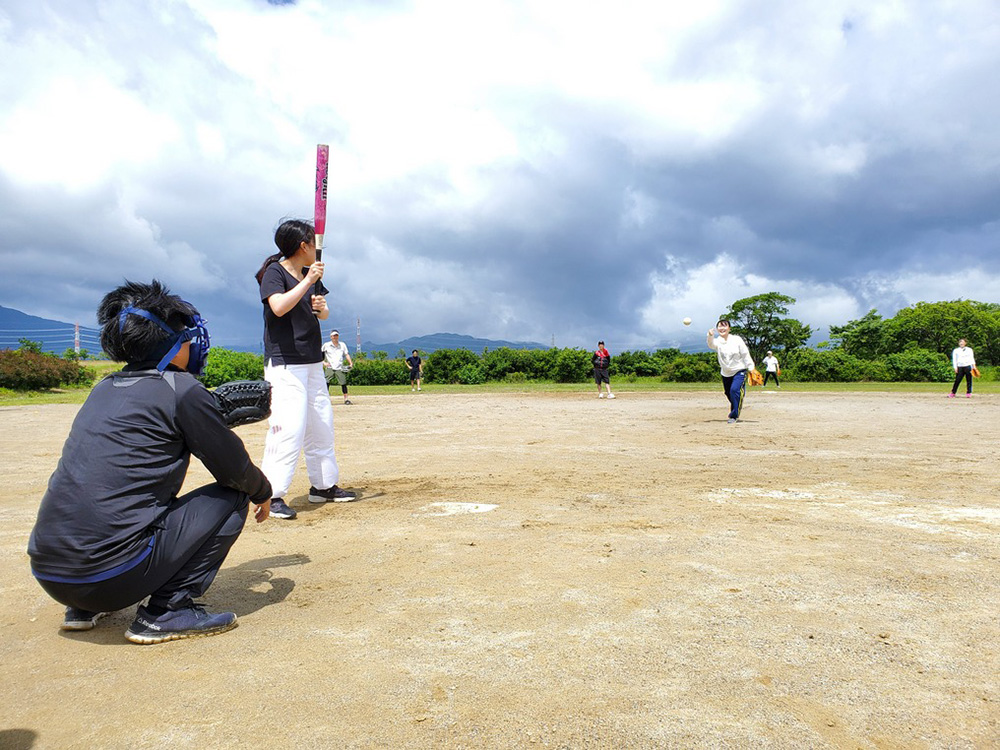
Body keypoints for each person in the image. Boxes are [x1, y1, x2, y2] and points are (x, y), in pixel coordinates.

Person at [27, 280, 272, 644]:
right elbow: (233, 470)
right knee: (233, 496)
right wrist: (262, 490)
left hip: (52, 575)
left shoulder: (104, 387)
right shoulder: (181, 389)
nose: (193, 344)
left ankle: (82, 610)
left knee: (121, 496)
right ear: (171, 347)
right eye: (187, 338)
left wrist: (205, 416)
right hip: (108, 578)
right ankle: (166, 612)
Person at [256, 219, 357, 521]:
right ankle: (272, 495)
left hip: (312, 360)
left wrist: (321, 305)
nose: (317, 248)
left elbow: (322, 315)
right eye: (313, 242)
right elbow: (278, 307)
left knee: (321, 425)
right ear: (303, 246)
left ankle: (323, 485)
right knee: (288, 427)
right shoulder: (274, 272)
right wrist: (307, 281)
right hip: (285, 363)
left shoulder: (308, 275)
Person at [707, 319, 757, 423]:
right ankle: (737, 400)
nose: (722, 328)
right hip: (726, 372)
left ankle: (733, 415)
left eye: (725, 326)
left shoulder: (736, 339)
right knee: (728, 393)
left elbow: (745, 354)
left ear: (729, 328)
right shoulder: (718, 341)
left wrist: (751, 368)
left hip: (739, 370)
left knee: (734, 390)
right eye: (720, 326)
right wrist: (710, 335)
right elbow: (711, 345)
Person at [322, 329, 354, 405]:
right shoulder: (326, 345)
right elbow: (320, 355)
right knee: (326, 383)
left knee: (343, 383)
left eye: (336, 335)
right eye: (333, 336)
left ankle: (346, 399)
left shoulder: (342, 345)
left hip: (339, 367)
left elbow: (346, 354)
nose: (335, 337)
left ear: (338, 336)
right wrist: (324, 363)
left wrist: (351, 363)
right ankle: (325, 400)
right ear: (331, 337)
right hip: (330, 367)